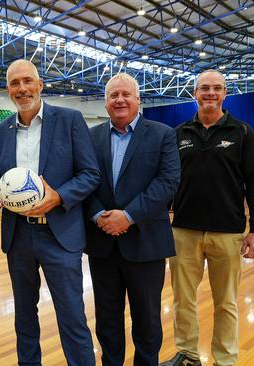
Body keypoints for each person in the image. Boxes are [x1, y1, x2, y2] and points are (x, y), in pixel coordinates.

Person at [0, 59, 100, 366]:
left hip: (59, 235)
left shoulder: (70, 120)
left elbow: (91, 174)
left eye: (27, 81)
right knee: (24, 317)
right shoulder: (0, 131)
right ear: (9, 90)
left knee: (72, 317)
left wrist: (58, 197)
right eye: (14, 83)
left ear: (40, 85)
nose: (22, 89)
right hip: (19, 236)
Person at [160, 70, 254, 366]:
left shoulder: (242, 132)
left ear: (224, 93)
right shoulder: (178, 134)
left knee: (226, 303)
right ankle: (188, 354)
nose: (210, 93)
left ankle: (225, 359)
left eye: (216, 88)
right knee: (183, 300)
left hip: (228, 233)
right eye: (204, 88)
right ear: (195, 93)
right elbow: (168, 182)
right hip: (183, 231)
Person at [84, 73, 180, 366]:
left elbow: (168, 182)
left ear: (138, 100)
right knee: (107, 320)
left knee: (147, 321)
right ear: (105, 102)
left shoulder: (163, 134)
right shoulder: (92, 136)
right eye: (113, 95)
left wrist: (129, 216)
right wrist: (99, 213)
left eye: (126, 94)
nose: (120, 100)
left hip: (146, 242)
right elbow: (83, 180)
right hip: (102, 243)